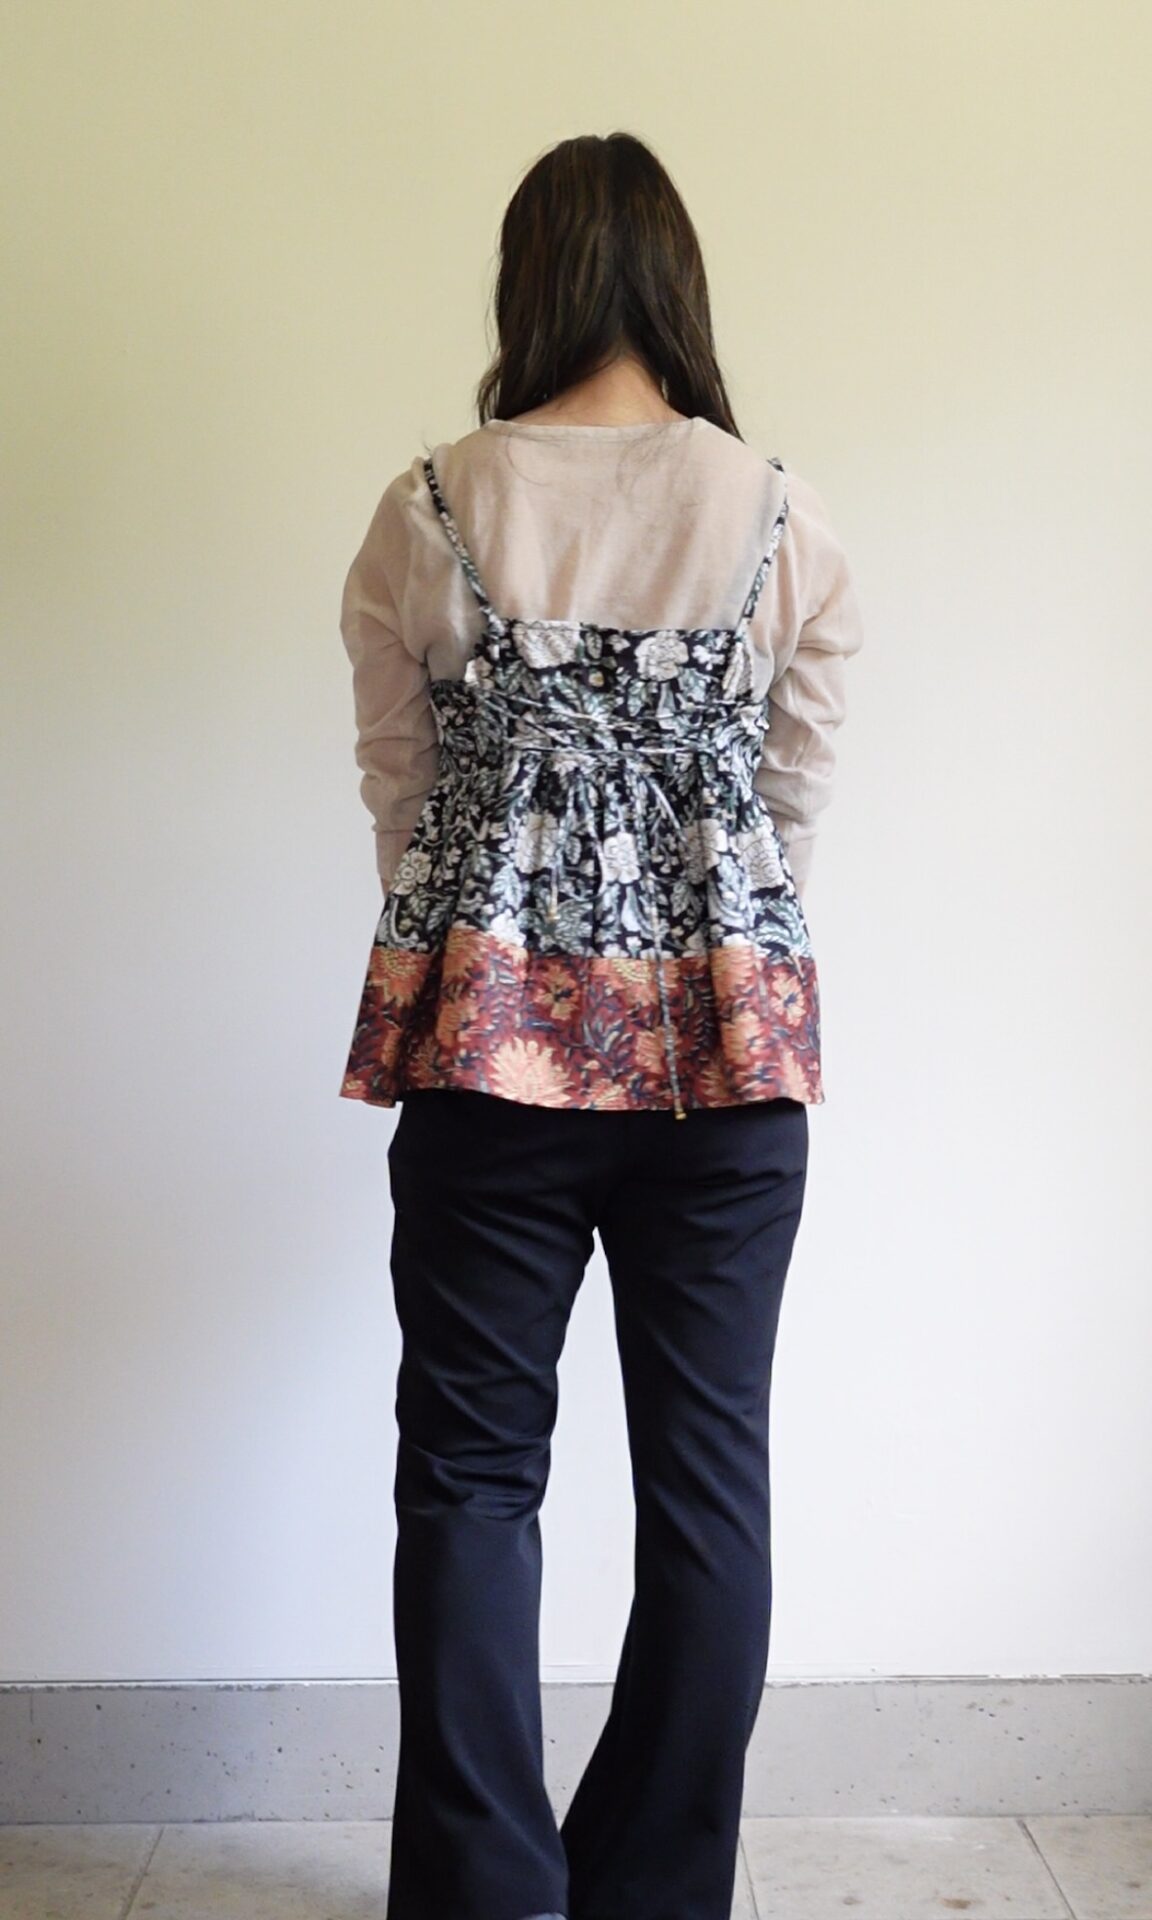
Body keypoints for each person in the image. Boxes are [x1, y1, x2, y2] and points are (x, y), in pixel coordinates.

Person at [337, 131, 864, 1920]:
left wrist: (518, 939)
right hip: (727, 1066)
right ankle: (649, 1894)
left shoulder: (430, 505)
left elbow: (401, 801)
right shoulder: (780, 514)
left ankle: (489, 1894)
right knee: (710, 1485)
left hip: (492, 1056)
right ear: (676, 282)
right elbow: (791, 810)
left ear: (530, 282)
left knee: (472, 1478)